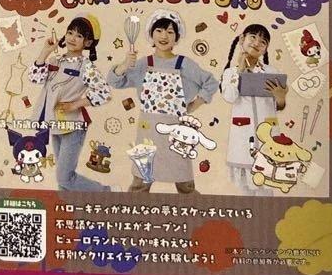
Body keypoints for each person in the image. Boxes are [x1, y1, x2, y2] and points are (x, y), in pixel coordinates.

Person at [108, 10, 218, 193]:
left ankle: (195, 211)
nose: (164, 36)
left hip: (177, 134)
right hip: (148, 131)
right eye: (159, 30)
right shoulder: (143, 63)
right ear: (151, 35)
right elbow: (115, 81)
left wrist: (195, 104)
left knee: (185, 185)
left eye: (170, 32)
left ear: (177, 37)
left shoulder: (184, 63)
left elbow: (211, 82)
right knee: (140, 183)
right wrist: (125, 64)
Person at [28, 15, 112, 192]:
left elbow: (105, 93)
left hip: (74, 126)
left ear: (88, 42)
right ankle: (68, 206)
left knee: (64, 178)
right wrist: (45, 51)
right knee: (63, 181)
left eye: (79, 36)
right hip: (55, 123)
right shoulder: (55, 60)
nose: (72, 38)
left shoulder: (86, 66)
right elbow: (34, 78)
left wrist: (75, 104)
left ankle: (108, 193)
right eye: (70, 32)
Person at [220, 23, 289, 193]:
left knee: (267, 190)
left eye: (263, 41)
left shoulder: (272, 72)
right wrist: (240, 70)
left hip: (268, 137)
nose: (257, 43)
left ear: (265, 49)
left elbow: (279, 106)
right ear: (242, 39)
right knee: (246, 191)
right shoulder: (230, 73)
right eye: (253, 37)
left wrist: (280, 97)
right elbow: (229, 97)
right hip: (243, 137)